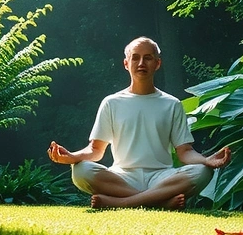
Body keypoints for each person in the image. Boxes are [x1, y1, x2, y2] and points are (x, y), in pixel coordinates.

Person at [47, 36, 232, 210]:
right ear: (126, 64)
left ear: (157, 64)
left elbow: (185, 152)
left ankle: (121, 203)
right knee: (80, 170)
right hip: (122, 177)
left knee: (203, 171)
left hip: (162, 177)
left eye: (148, 58)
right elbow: (95, 150)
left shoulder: (172, 104)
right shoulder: (111, 102)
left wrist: (206, 160)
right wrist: (72, 157)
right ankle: (159, 202)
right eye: (135, 58)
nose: (141, 63)